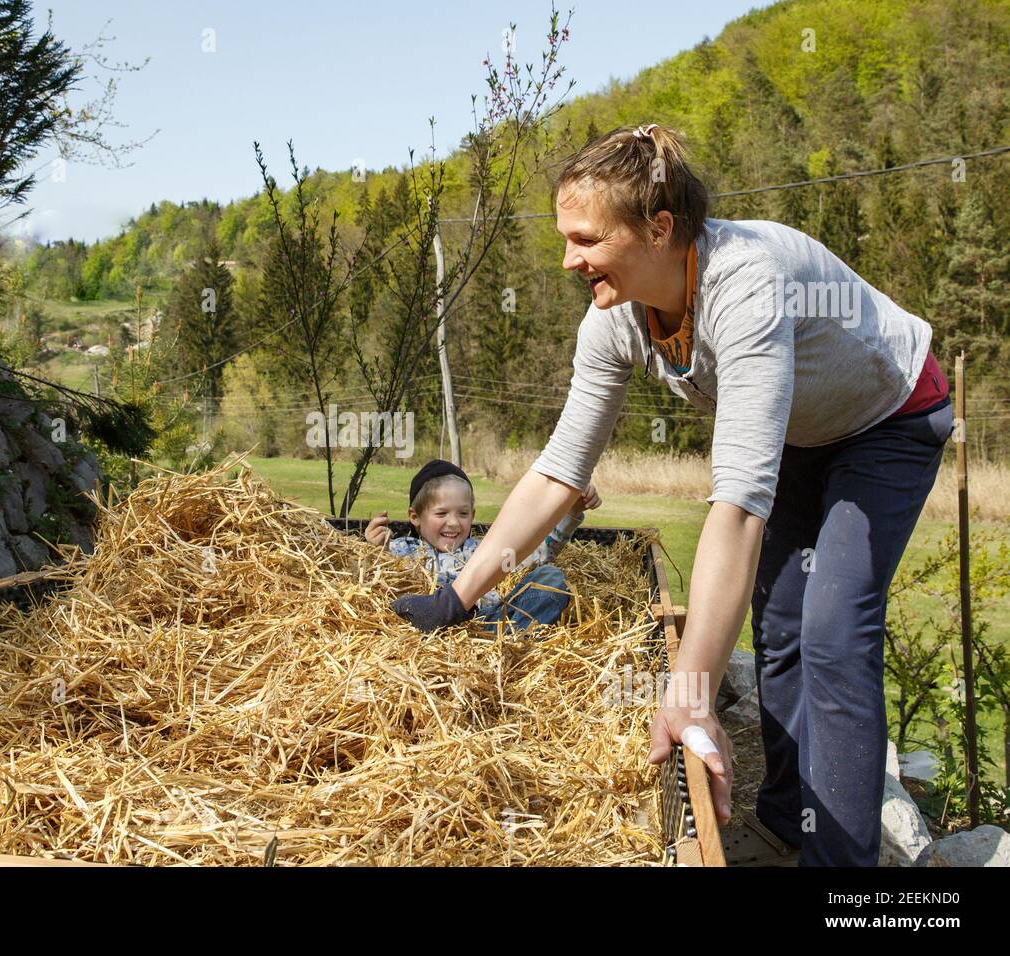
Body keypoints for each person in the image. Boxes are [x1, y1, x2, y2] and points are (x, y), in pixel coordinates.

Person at [390, 124, 953, 867]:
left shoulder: (743, 285)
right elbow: (561, 469)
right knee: (780, 622)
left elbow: (740, 504)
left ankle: (845, 871)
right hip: (802, 433)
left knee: (832, 628)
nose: (569, 259)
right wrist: (458, 596)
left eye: (585, 238)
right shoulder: (616, 315)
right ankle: (789, 815)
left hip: (888, 415)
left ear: (659, 228)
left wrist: (689, 692)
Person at [370, 459, 600, 636]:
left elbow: (538, 553)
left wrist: (571, 511)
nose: (453, 522)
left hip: (487, 623)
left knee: (551, 579)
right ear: (415, 516)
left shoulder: (485, 551)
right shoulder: (401, 550)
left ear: (473, 515)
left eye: (463, 513)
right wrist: (373, 549)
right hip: (427, 628)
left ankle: (505, 643)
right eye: (441, 513)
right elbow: (362, 587)